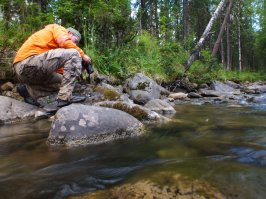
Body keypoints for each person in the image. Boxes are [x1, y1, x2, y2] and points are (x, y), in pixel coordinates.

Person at [13, 24, 91, 107]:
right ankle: (64, 99)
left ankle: (28, 92)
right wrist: (82, 55)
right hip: (26, 63)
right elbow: (64, 42)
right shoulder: (59, 29)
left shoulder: (56, 50)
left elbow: (63, 73)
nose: (75, 44)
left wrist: (79, 66)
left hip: (29, 72)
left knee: (63, 82)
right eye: (75, 41)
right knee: (74, 53)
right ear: (69, 33)